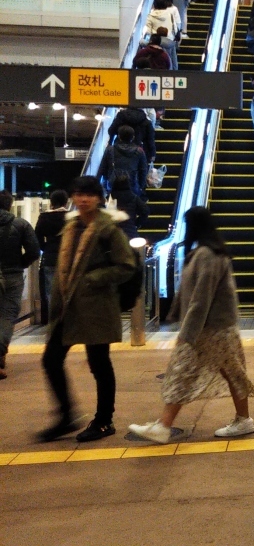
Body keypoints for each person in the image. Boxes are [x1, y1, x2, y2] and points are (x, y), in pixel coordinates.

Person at [129, 207, 254, 444]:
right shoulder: (205, 252)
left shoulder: (207, 254)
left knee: (184, 372)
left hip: (210, 329)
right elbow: (192, 293)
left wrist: (187, 333)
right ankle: (243, 419)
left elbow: (201, 297)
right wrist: (177, 314)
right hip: (216, 328)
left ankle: (164, 426)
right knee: (230, 373)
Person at [39, 176, 136, 443]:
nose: (83, 199)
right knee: (50, 359)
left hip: (96, 306)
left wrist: (93, 279)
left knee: (99, 364)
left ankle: (104, 421)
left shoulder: (109, 229)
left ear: (99, 198)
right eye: (78, 194)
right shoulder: (71, 226)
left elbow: (126, 265)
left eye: (89, 195)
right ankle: (66, 416)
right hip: (68, 307)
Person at [0, 190, 40, 380]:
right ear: (10, 205)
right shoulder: (21, 224)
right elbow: (34, 251)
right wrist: (20, 264)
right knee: (7, 316)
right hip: (12, 276)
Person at [34, 190, 69, 326]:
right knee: (68, 289)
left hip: (50, 258)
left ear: (51, 202)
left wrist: (46, 248)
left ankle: (54, 322)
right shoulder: (70, 217)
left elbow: (37, 237)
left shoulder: (44, 217)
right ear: (66, 202)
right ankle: (67, 320)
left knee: (51, 292)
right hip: (68, 258)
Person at [103, 125, 148, 197]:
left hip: (113, 185)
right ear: (133, 137)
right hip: (132, 185)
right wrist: (141, 186)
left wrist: (106, 182)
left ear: (119, 136)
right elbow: (143, 170)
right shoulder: (139, 151)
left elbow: (104, 168)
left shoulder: (110, 149)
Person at [145, 0, 180, 68]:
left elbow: (148, 31)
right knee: (172, 59)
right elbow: (175, 27)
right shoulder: (170, 14)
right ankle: (174, 73)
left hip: (156, 41)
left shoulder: (151, 15)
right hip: (169, 39)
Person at [110, 174, 147, 240]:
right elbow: (145, 211)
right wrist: (136, 223)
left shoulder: (110, 197)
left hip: (113, 233)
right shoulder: (134, 197)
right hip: (130, 232)